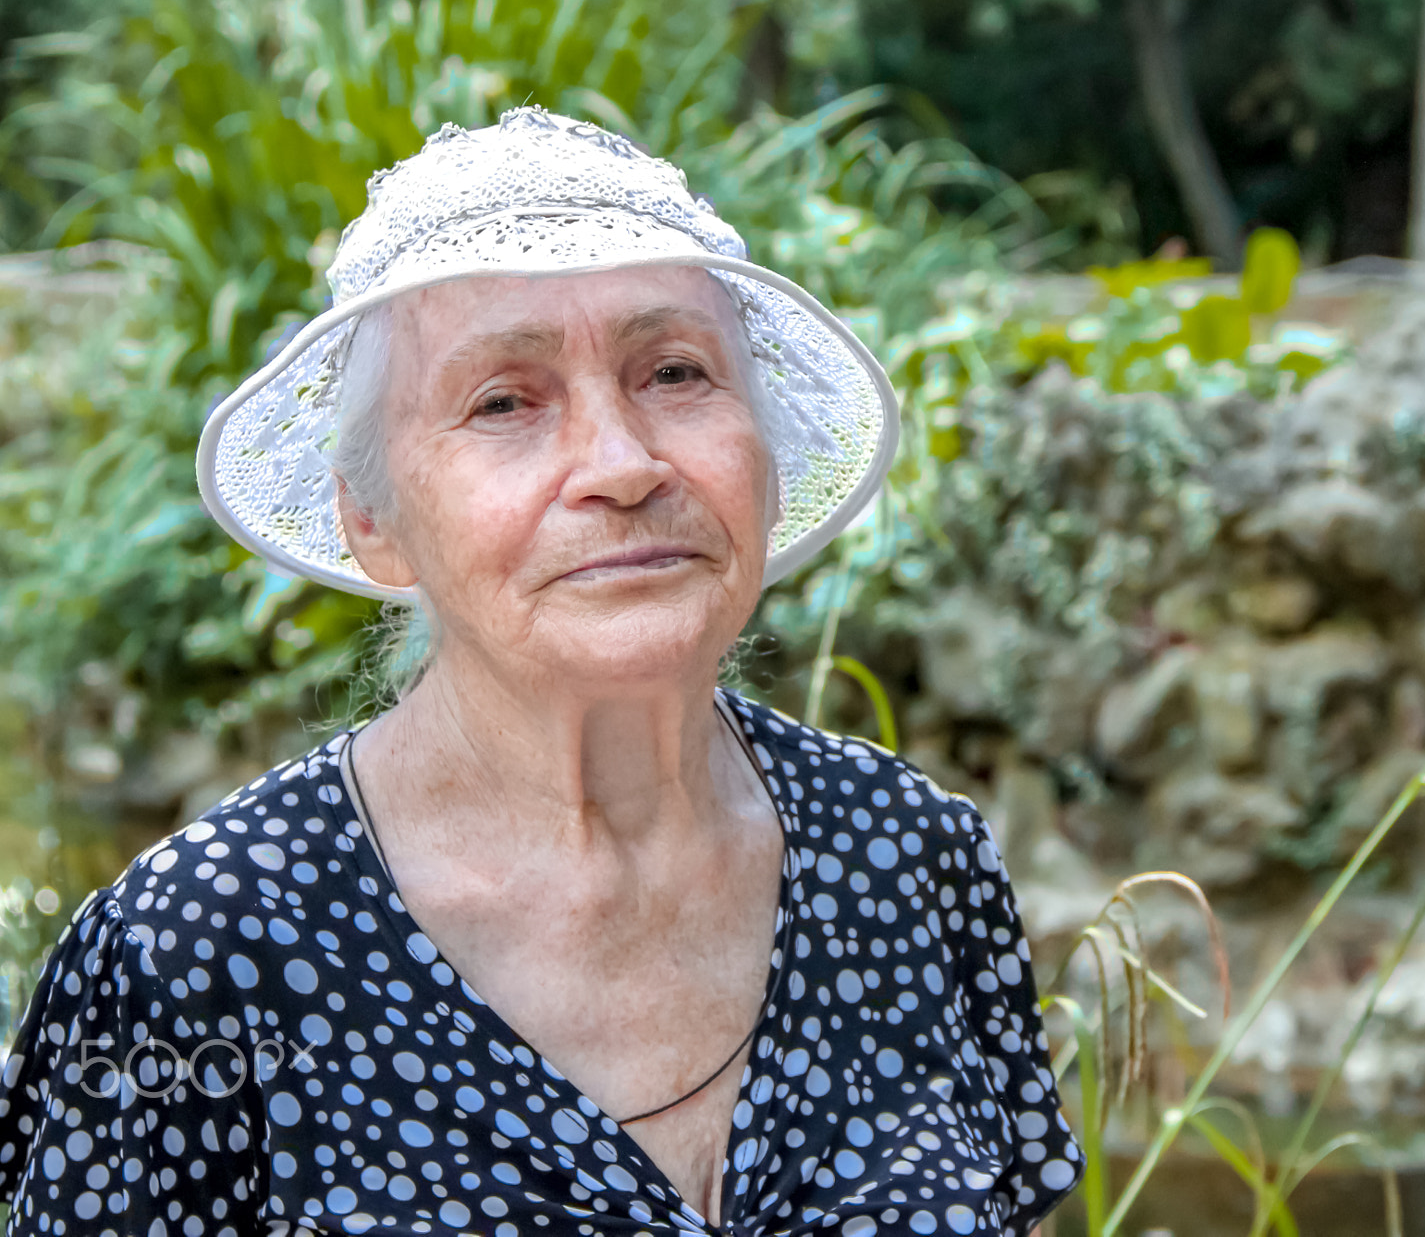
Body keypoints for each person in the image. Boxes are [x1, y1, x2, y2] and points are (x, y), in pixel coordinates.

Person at [0, 108, 1082, 1236]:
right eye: (504, 400)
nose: (621, 464)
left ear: (761, 458)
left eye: (674, 372)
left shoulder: (911, 856)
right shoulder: (193, 950)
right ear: (372, 519)